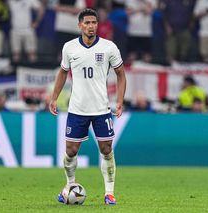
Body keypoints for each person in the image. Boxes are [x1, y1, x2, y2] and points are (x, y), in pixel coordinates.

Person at [49, 8, 126, 205]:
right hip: (77, 109)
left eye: (94, 23)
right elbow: (63, 73)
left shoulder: (109, 47)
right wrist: (54, 97)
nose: (91, 26)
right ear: (80, 25)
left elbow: (121, 74)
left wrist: (119, 100)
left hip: (101, 109)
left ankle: (109, 193)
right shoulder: (69, 47)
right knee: (71, 151)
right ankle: (70, 186)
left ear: (97, 25)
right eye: (87, 23)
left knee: (107, 149)